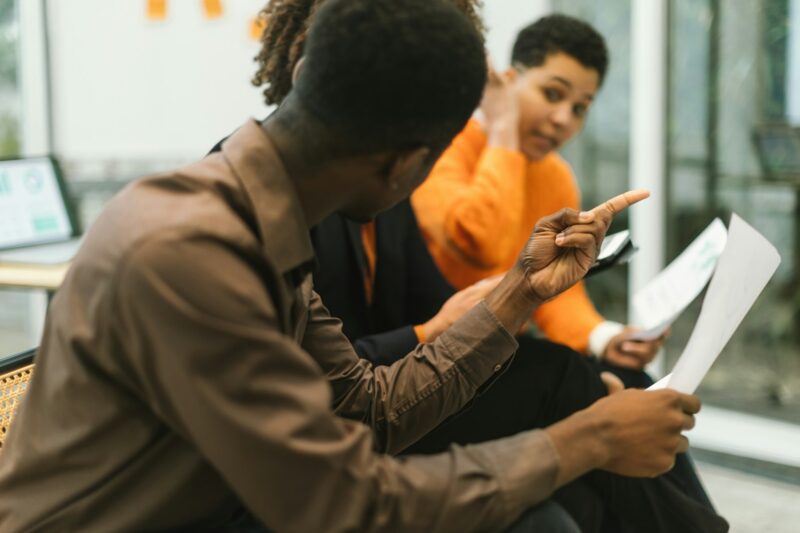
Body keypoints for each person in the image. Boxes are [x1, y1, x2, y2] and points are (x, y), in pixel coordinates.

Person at [0, 2, 724, 532]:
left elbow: (367, 408)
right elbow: (343, 504)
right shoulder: (189, 253)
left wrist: (515, 294)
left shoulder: (255, 218)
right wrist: (587, 438)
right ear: (408, 159)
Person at [412, 14, 666, 376]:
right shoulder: (448, 147)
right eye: (552, 94)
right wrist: (503, 129)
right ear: (508, 82)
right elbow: (480, 242)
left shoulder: (555, 176)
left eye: (580, 108)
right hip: (436, 354)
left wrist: (605, 338)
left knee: (633, 379)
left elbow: (557, 293)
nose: (564, 119)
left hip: (504, 347)